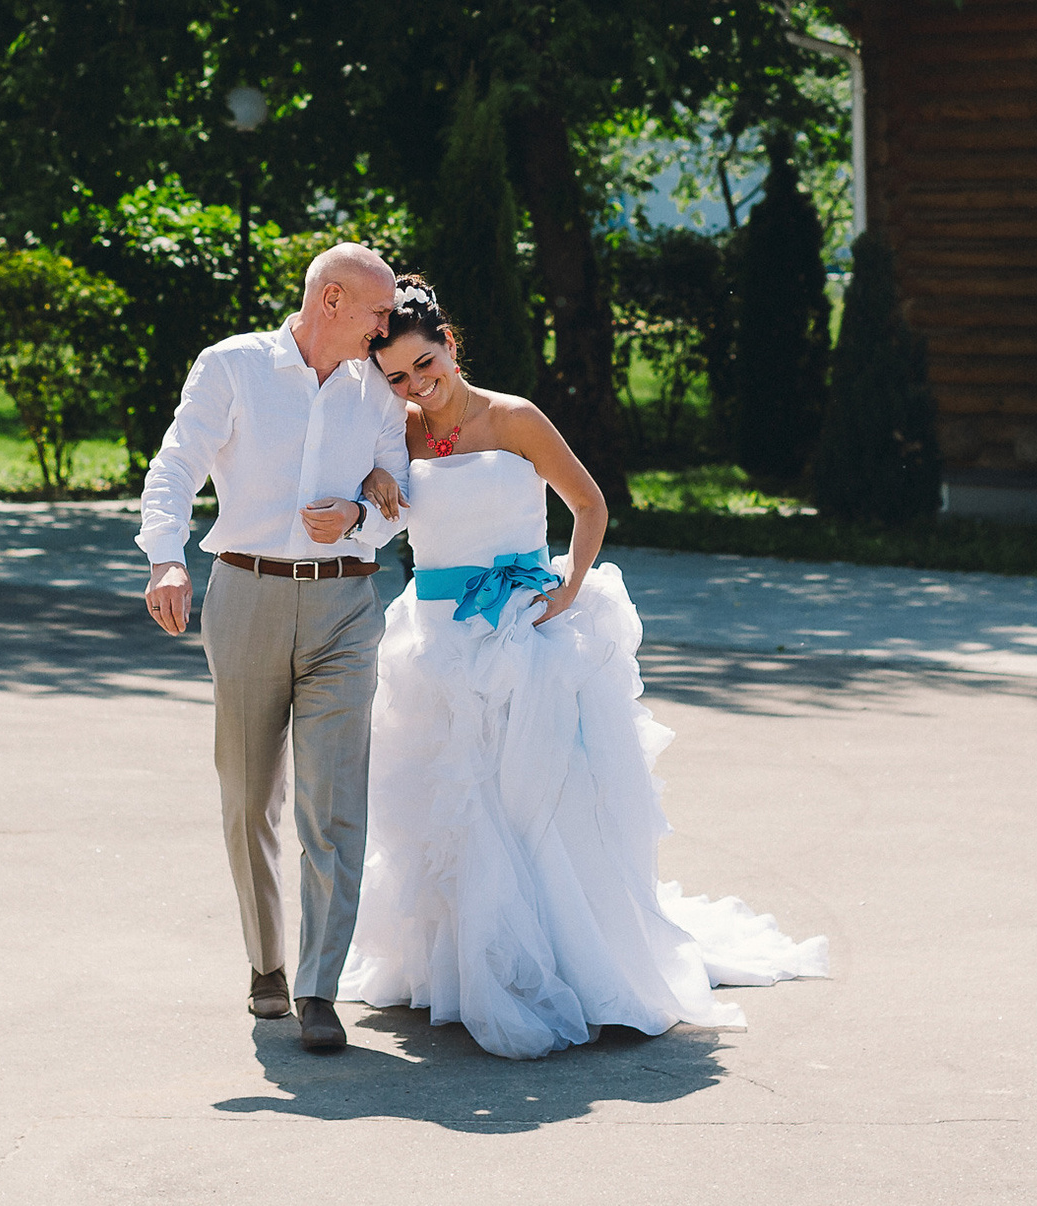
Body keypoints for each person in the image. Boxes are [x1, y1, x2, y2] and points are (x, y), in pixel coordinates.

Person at [341, 276, 828, 1060]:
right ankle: (466, 968)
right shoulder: (390, 427)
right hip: (435, 639)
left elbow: (590, 503)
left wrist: (569, 583)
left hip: (521, 631)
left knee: (536, 796)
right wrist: (373, 476)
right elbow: (357, 483)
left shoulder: (514, 417)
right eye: (397, 375)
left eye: (425, 363)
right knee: (458, 803)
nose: (416, 384)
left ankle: (574, 961)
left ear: (451, 344)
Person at [137, 242, 410, 1056]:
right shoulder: (232, 367)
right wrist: (165, 554)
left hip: (344, 606)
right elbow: (177, 462)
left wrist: (360, 518)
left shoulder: (380, 387)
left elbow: (401, 490)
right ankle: (267, 965)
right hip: (245, 593)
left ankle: (321, 986)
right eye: (376, 311)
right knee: (250, 793)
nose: (386, 326)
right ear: (330, 301)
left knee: (333, 803)